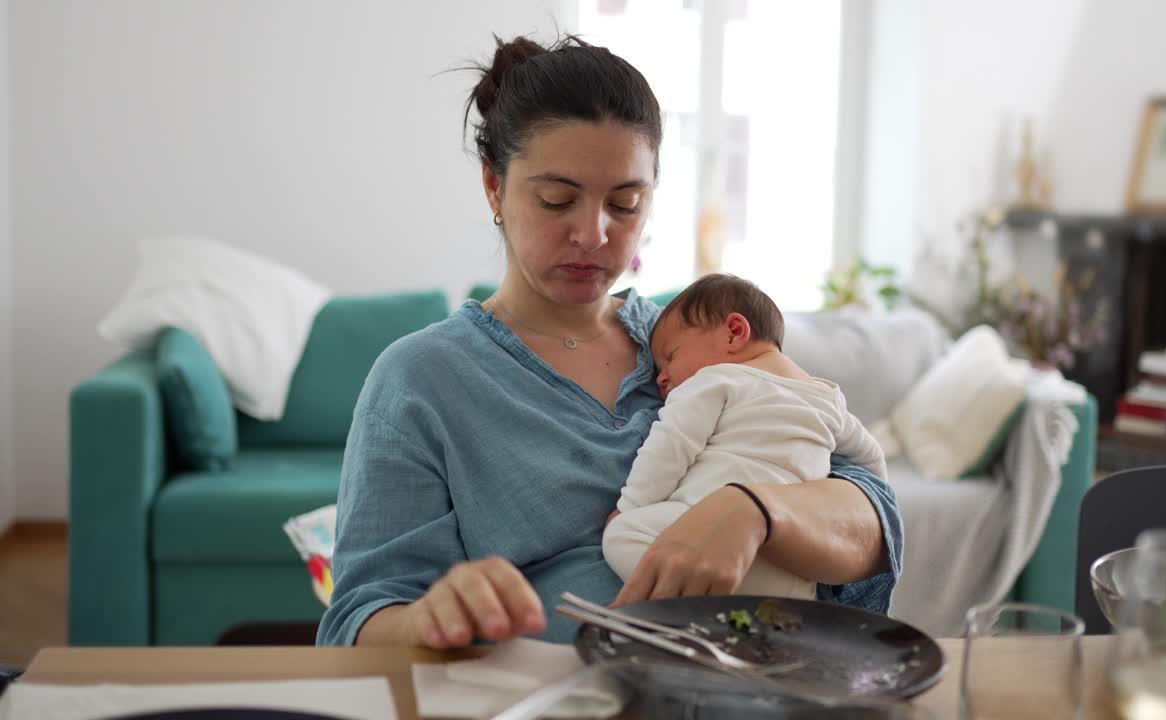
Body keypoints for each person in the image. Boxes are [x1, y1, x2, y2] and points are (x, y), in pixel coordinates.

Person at [317, 34, 903, 649]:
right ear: (495, 187)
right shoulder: (422, 379)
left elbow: (874, 520)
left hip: (752, 684)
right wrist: (430, 620)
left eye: (625, 204)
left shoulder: (695, 343)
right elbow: (357, 620)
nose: (593, 234)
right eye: (556, 199)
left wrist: (755, 510)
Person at [602, 273, 888, 600]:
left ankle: (683, 603)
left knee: (620, 535)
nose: (662, 379)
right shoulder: (828, 398)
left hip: (702, 534)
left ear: (735, 333)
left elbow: (670, 448)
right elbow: (871, 459)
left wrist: (630, 505)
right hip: (789, 565)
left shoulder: (715, 380)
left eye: (670, 357)